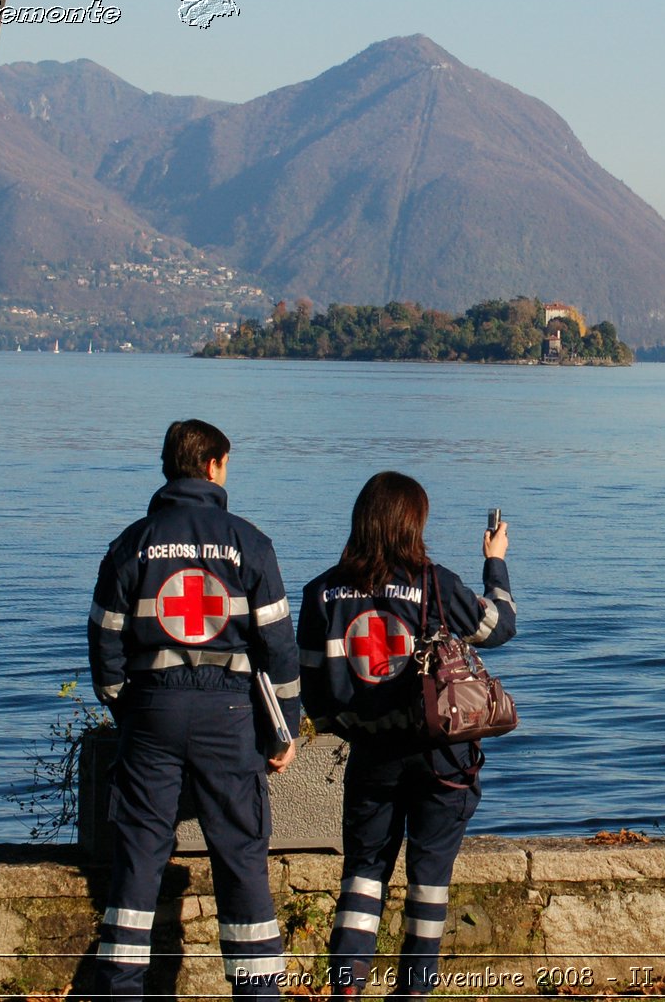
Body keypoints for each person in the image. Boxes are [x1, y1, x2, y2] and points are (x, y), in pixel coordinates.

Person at [87, 419, 301, 1001]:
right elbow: (278, 648)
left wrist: (125, 709)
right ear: (213, 465)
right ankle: (258, 994)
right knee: (240, 857)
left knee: (137, 859)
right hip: (229, 714)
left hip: (151, 711)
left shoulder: (132, 543)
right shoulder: (249, 543)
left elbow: (104, 640)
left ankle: (120, 991)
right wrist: (285, 731)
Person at [297, 471, 516, 998]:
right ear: (414, 522)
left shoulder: (322, 592)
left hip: (373, 754)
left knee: (364, 874)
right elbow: (501, 627)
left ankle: (346, 987)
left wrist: (339, 728)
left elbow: (310, 685)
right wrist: (495, 559)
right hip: (444, 756)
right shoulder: (435, 583)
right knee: (430, 879)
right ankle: (413, 990)